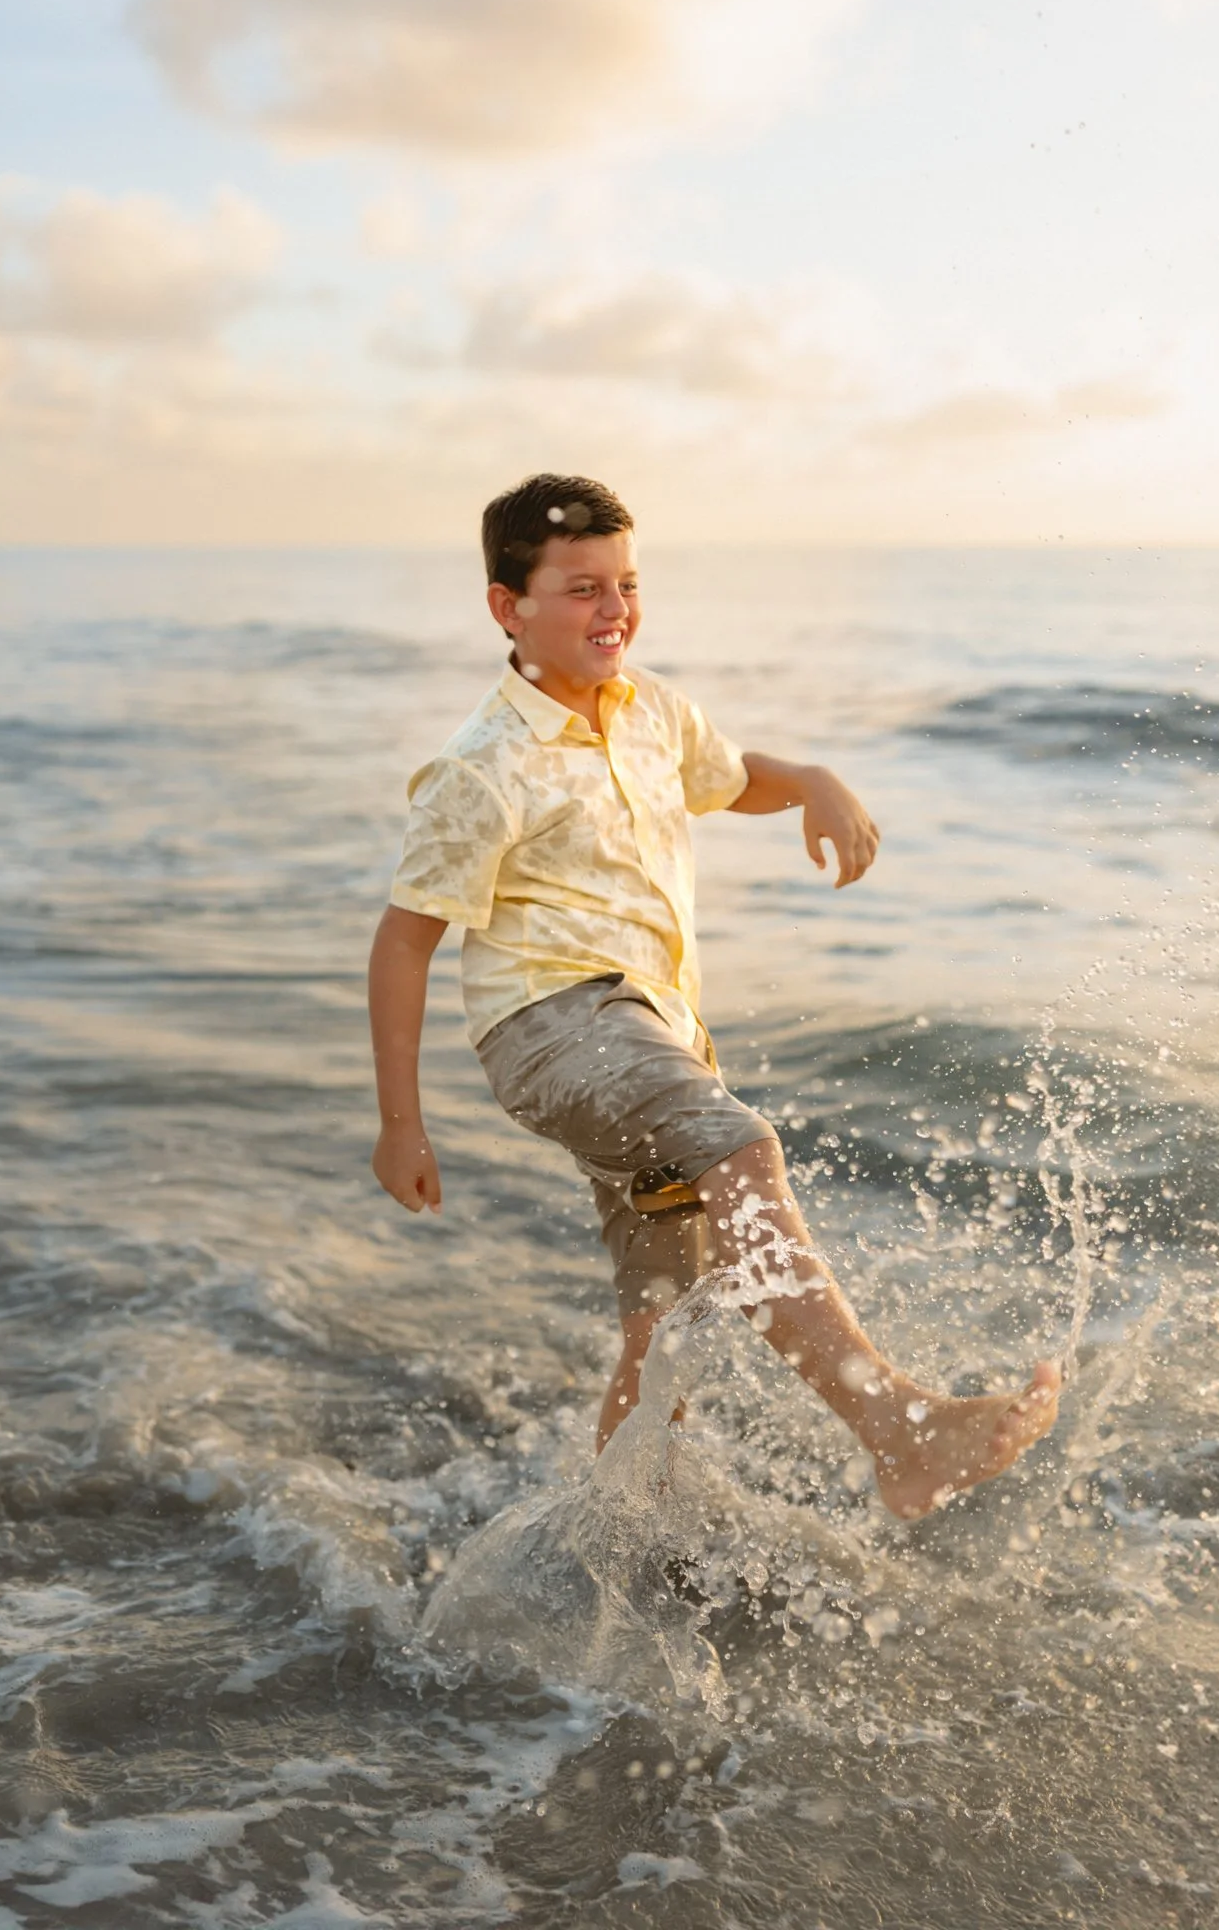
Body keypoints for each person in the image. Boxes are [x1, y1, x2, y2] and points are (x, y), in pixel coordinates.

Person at [368, 473, 1059, 1518]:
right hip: (551, 1025)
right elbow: (404, 941)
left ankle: (618, 1539)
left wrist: (814, 779)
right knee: (743, 1147)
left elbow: (735, 776)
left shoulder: (652, 713)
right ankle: (896, 1424)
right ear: (509, 607)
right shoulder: (485, 764)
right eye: (583, 587)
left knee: (667, 1322)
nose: (615, 608)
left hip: (652, 1034)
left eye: (628, 583)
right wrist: (400, 1123)